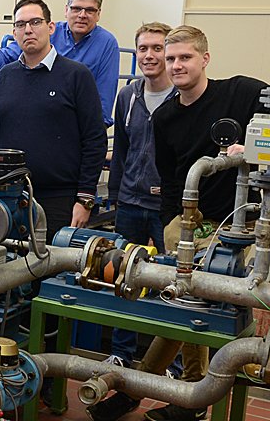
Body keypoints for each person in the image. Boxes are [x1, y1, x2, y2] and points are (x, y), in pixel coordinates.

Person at [142, 25, 267, 421]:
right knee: (184, 298)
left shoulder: (241, 92)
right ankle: (188, 395)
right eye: (171, 58)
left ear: (205, 59)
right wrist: (169, 225)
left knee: (197, 304)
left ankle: (176, 393)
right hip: (186, 222)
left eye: (185, 57)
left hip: (235, 225)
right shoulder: (164, 117)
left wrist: (252, 144)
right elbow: (169, 176)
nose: (176, 65)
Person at [86, 22, 182, 421]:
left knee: (174, 285)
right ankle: (122, 354)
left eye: (157, 48)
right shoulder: (128, 96)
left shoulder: (183, 97)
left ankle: (173, 365)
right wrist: (115, 195)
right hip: (129, 202)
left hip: (168, 211)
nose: (148, 55)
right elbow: (121, 151)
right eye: (142, 48)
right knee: (120, 279)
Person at [0, 0, 107, 243]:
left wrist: (85, 199)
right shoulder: (6, 76)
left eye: (35, 22)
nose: (28, 30)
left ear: (51, 27)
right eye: (21, 24)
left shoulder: (76, 75)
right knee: (3, 273)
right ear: (14, 32)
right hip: (10, 197)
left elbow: (94, 139)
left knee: (49, 275)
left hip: (59, 201)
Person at [0, 0, 119, 126]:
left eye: (90, 10)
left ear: (98, 14)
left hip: (75, 125)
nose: (82, 15)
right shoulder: (50, 32)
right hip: (39, 114)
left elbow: (103, 103)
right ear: (66, 10)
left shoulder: (106, 44)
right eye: (76, 8)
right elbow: (10, 53)